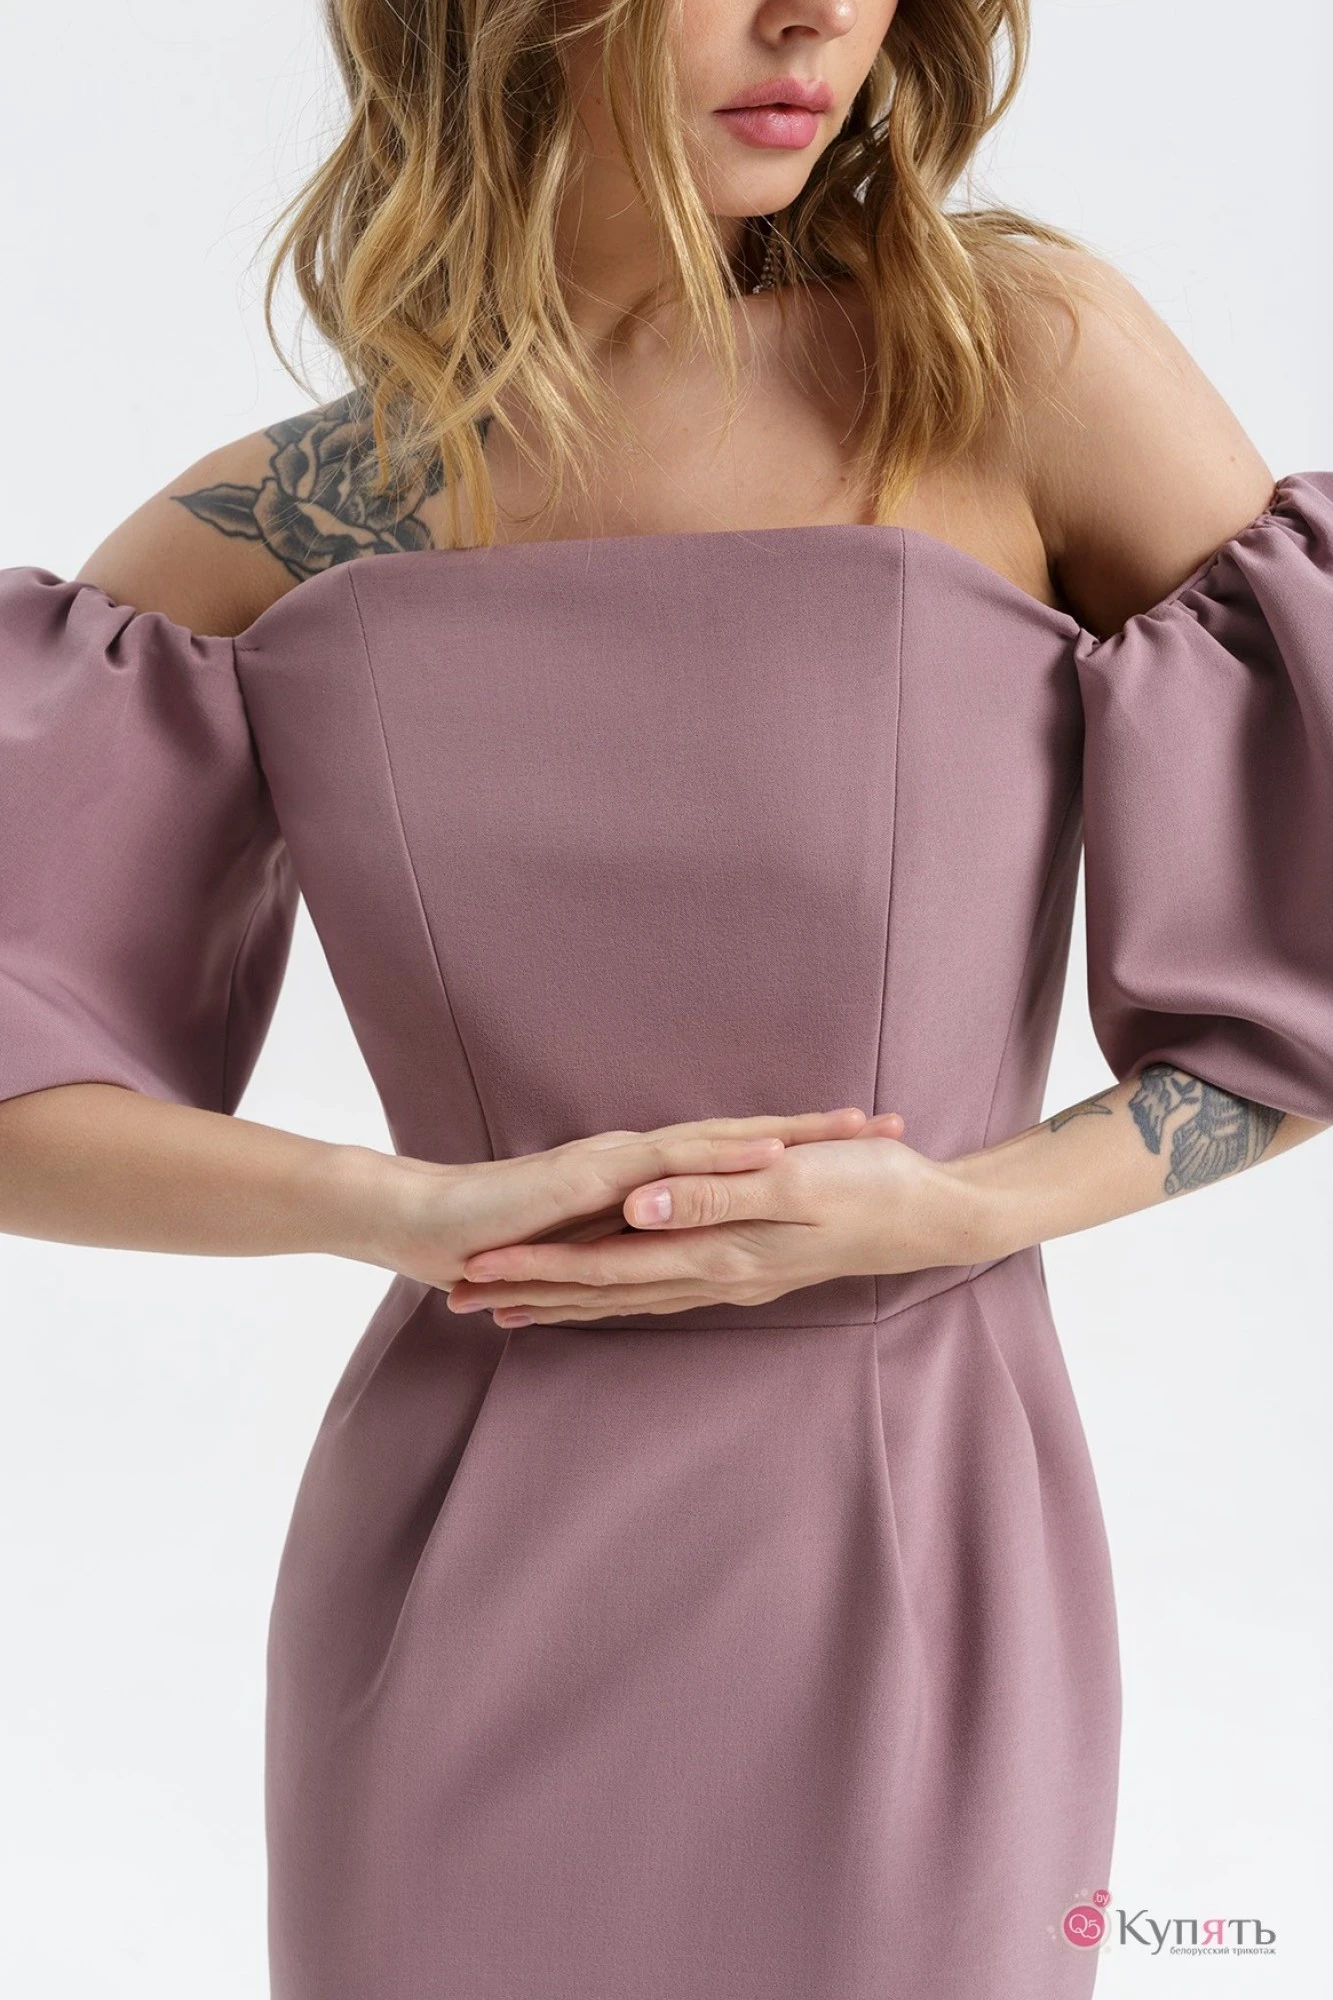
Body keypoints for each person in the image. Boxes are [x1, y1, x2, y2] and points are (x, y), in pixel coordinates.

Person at [2, 1, 1330, 1995]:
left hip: (904, 1549)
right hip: (458, 1585)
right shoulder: (285, 518)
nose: (816, 15)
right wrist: (404, 1206)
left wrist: (964, 1209)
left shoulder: (1009, 364)